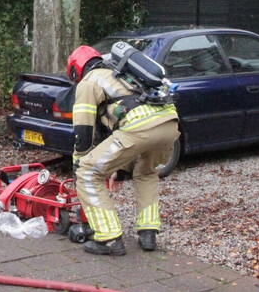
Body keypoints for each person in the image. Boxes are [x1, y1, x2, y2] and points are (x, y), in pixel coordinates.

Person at [68, 44, 180, 255]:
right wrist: (119, 170)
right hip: (169, 124)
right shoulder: (122, 73)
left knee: (87, 173)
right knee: (146, 173)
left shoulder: (89, 81)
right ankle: (148, 232)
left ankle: (109, 238)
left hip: (139, 127)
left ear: (75, 70)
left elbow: (83, 130)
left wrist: (79, 160)